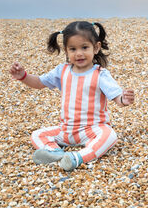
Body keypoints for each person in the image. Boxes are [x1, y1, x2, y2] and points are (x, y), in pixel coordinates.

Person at [9, 21, 135, 171]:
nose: (79, 53)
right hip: (66, 130)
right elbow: (39, 82)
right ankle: (55, 153)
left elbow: (116, 97)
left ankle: (77, 157)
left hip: (92, 129)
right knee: (37, 135)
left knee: (110, 135)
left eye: (84, 47)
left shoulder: (100, 74)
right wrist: (23, 76)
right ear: (66, 51)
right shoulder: (62, 71)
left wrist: (124, 99)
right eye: (73, 49)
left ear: (96, 47)